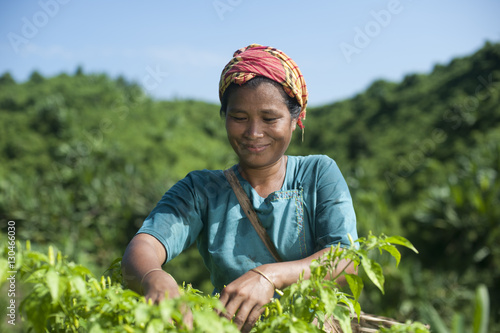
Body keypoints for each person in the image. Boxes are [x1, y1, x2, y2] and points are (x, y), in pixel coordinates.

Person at [121, 44, 358, 332]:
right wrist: (153, 277)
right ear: (225, 117)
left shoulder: (317, 173)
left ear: (295, 120)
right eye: (239, 118)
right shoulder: (201, 190)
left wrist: (268, 276)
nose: (254, 133)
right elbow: (145, 244)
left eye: (270, 119)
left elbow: (345, 260)